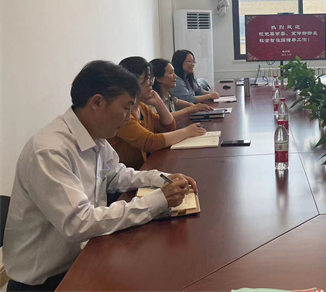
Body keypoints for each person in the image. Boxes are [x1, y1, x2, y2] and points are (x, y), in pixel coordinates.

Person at [3, 61, 197, 292]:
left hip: (85, 257)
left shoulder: (95, 137)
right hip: (48, 281)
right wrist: (158, 200)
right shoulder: (50, 151)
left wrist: (163, 178)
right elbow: (80, 223)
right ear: (97, 102)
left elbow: (116, 175)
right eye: (126, 108)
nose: (128, 117)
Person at [108, 57, 206, 169]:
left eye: (151, 79)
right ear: (130, 82)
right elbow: (149, 142)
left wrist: (158, 102)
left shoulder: (142, 107)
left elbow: (169, 127)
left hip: (144, 168)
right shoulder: (122, 114)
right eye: (147, 79)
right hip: (128, 174)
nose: (151, 83)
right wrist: (186, 132)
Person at [150, 58, 214, 127]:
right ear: (159, 78)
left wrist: (195, 106)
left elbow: (177, 102)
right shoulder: (151, 100)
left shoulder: (167, 94)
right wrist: (190, 109)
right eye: (171, 73)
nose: (175, 76)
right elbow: (161, 118)